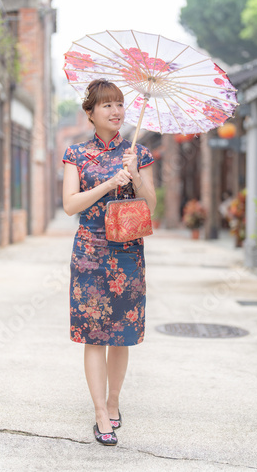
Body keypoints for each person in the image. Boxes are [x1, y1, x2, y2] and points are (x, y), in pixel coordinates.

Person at [62, 79, 156, 446]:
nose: (117, 111)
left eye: (119, 104)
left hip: (128, 254)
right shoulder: (76, 154)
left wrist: (134, 174)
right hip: (89, 253)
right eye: (107, 105)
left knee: (122, 335)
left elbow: (150, 204)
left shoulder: (139, 153)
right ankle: (100, 412)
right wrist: (106, 184)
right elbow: (70, 204)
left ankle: (114, 402)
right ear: (90, 113)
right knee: (94, 335)